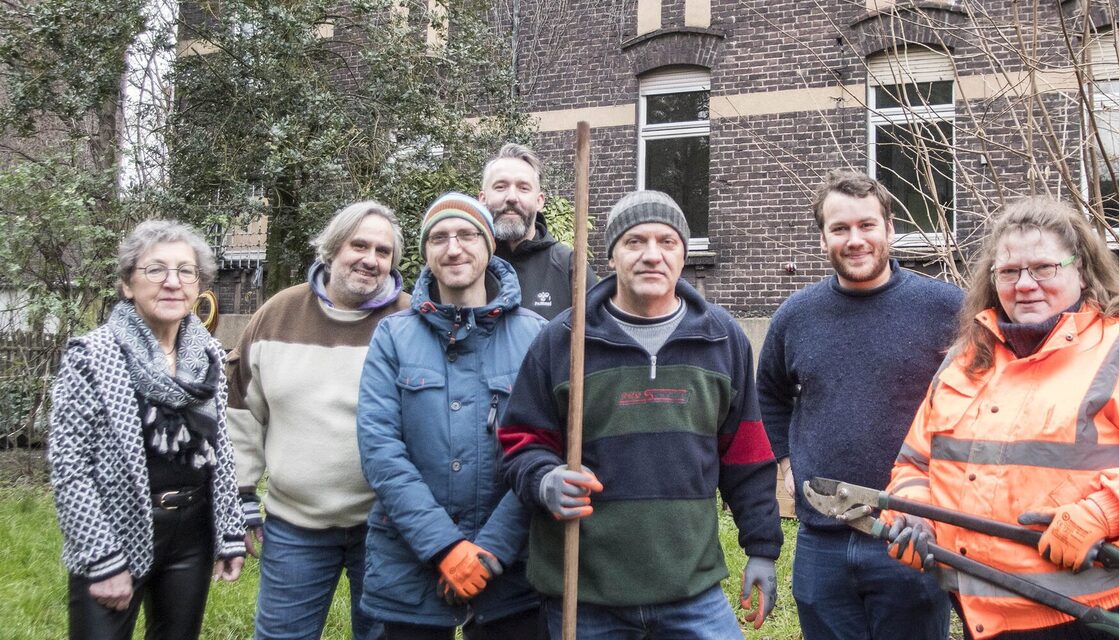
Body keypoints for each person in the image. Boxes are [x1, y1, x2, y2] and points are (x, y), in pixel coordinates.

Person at [885, 196, 1119, 639]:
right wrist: (915, 517)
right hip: (990, 621)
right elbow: (914, 465)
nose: (1025, 284)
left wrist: (1107, 513)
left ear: (1082, 270)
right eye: (1009, 272)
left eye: (1044, 268)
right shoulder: (965, 364)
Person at [499, 190, 783, 639]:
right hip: (586, 594)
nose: (652, 255)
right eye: (635, 242)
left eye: (667, 242)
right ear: (612, 255)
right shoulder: (564, 339)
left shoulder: (720, 338)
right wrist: (544, 479)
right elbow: (520, 442)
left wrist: (762, 548)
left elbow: (745, 457)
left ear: (683, 255)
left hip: (691, 590)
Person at [757, 169, 960, 640]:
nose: (855, 240)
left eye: (867, 225)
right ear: (822, 238)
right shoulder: (796, 316)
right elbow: (768, 391)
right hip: (820, 539)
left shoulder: (947, 309)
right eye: (840, 228)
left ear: (889, 229)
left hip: (909, 535)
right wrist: (786, 460)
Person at [357, 193, 548, 639]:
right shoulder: (393, 336)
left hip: (511, 573)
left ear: (489, 246)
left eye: (467, 235)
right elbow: (380, 451)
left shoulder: (534, 336)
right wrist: (444, 547)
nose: (453, 248)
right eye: (439, 237)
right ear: (426, 251)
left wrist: (491, 550)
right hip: (410, 566)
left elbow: (545, 449)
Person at [48, 220, 246, 640]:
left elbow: (220, 449)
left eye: (185, 271)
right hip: (115, 530)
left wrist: (229, 530)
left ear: (198, 285)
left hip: (191, 535)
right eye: (156, 270)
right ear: (127, 284)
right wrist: (101, 559)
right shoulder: (92, 355)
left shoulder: (208, 356)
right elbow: (69, 468)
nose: (172, 282)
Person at [227, 201, 409, 640]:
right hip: (296, 525)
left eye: (383, 251)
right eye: (359, 245)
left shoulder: (411, 320)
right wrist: (241, 493)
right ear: (331, 249)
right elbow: (241, 410)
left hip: (388, 526)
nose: (370, 259)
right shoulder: (278, 315)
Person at [478, 142, 597, 320]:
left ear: (539, 201)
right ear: (482, 199)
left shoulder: (570, 268)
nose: (512, 197)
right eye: (500, 187)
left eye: (523, 188)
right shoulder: (468, 263)